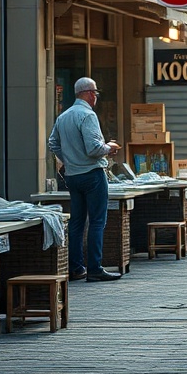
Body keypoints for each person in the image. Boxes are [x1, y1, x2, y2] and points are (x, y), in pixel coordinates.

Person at [47, 77, 121, 282]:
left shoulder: (64, 116)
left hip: (73, 176)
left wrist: (69, 159)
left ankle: (76, 267)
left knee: (77, 222)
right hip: (92, 174)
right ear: (89, 93)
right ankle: (95, 268)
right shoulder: (88, 115)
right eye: (95, 93)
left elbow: (52, 143)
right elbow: (94, 148)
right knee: (97, 221)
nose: (95, 97)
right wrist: (110, 148)